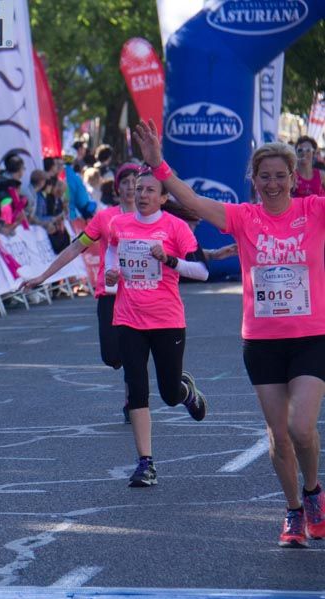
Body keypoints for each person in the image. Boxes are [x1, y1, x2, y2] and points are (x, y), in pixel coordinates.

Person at [134, 119, 325, 547]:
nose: (273, 184)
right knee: (278, 435)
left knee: (301, 427)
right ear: (253, 181)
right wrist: (158, 165)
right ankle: (294, 511)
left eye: (281, 176)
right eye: (265, 177)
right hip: (261, 342)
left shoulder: (314, 211)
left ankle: (314, 491)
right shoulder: (243, 217)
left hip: (312, 336)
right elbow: (192, 200)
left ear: (295, 179)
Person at [104, 170, 210, 487]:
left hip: (166, 319)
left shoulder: (175, 228)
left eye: (150, 190)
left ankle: (186, 392)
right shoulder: (119, 224)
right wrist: (111, 273)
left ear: (163, 197)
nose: (143, 194)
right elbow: (111, 249)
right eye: (139, 189)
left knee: (168, 393)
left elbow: (202, 272)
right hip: (128, 317)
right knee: (136, 387)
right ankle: (145, 463)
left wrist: (170, 260)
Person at [23, 164, 141, 421]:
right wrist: (43, 276)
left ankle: (133, 401)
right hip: (110, 294)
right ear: (117, 188)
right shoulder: (105, 218)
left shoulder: (152, 217)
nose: (131, 187)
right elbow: (76, 248)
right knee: (112, 356)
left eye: (136, 181)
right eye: (126, 182)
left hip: (141, 296)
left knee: (134, 354)